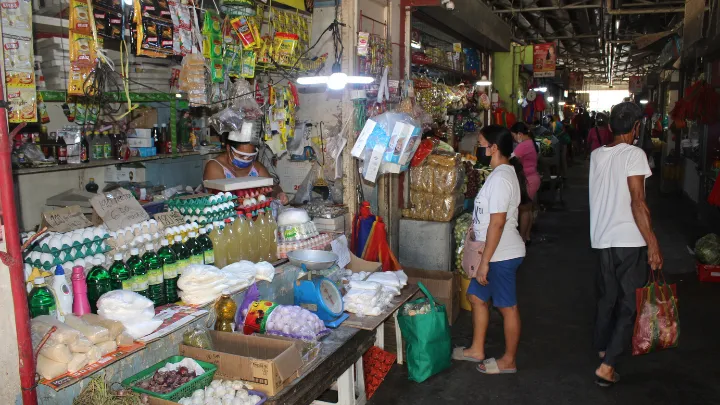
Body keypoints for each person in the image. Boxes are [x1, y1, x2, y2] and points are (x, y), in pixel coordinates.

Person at [589, 102, 663, 387]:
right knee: (629, 303)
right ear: (636, 128)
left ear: (609, 127)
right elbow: (638, 201)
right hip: (629, 240)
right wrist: (653, 242)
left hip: (602, 239)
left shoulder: (597, 155)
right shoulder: (634, 154)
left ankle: (602, 347)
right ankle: (607, 367)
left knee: (607, 297)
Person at [452, 125, 526, 375]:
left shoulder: (502, 178)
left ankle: (509, 360)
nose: (479, 149)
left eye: (482, 145)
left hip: (501, 254)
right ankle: (476, 349)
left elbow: (497, 222)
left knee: (508, 307)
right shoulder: (499, 174)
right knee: (476, 297)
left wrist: (485, 262)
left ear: (494, 148)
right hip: (493, 252)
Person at [204, 130, 289, 204]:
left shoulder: (256, 167)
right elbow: (220, 199)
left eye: (250, 156)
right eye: (241, 156)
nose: (246, 159)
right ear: (228, 148)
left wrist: (279, 194)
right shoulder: (214, 167)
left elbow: (273, 187)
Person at [510, 122, 540, 244]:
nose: (515, 140)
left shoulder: (524, 145)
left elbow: (511, 159)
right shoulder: (530, 142)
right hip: (532, 178)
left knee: (524, 209)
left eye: (514, 136)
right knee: (528, 208)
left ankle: (521, 239)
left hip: (528, 180)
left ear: (520, 134)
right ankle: (526, 236)